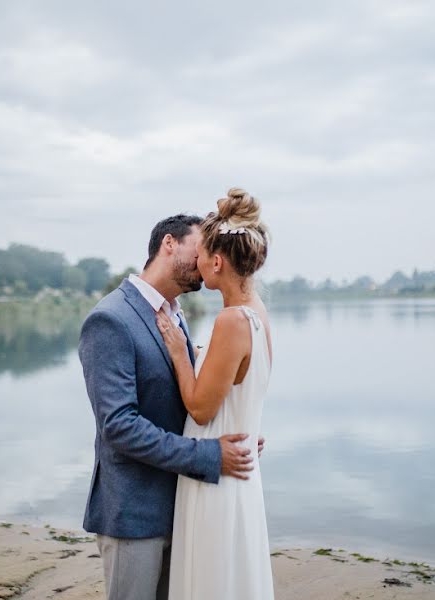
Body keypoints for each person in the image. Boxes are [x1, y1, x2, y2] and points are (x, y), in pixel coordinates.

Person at [79, 213, 263, 600]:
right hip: (134, 513)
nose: (205, 261)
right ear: (168, 244)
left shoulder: (176, 315)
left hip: (185, 508)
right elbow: (120, 426)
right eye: (199, 249)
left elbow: (187, 396)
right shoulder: (110, 320)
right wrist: (209, 453)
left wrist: (229, 429)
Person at [156, 189, 274, 599]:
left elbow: (202, 409)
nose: (197, 261)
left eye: (203, 253)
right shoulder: (257, 311)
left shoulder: (230, 320)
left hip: (217, 475)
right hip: (238, 468)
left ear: (218, 261)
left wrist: (178, 353)